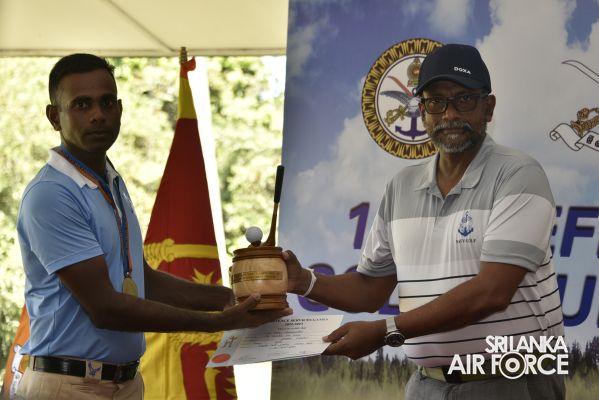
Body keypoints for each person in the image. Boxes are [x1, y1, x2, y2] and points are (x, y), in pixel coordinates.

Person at [284, 43, 565, 400]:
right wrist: (304, 281)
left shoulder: (518, 174)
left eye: (464, 100)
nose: (450, 114)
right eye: (436, 102)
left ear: (488, 107)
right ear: (422, 111)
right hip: (426, 385)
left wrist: (385, 331)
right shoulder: (401, 187)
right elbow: (371, 289)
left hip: (511, 384)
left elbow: (491, 293)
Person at [15, 53, 292, 400]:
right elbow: (105, 307)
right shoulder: (51, 194)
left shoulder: (110, 181)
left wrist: (233, 298)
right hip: (67, 385)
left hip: (124, 382)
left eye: (106, 102)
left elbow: (144, 280)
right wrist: (217, 323)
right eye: (82, 104)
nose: (98, 114)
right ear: (54, 116)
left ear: (120, 109)